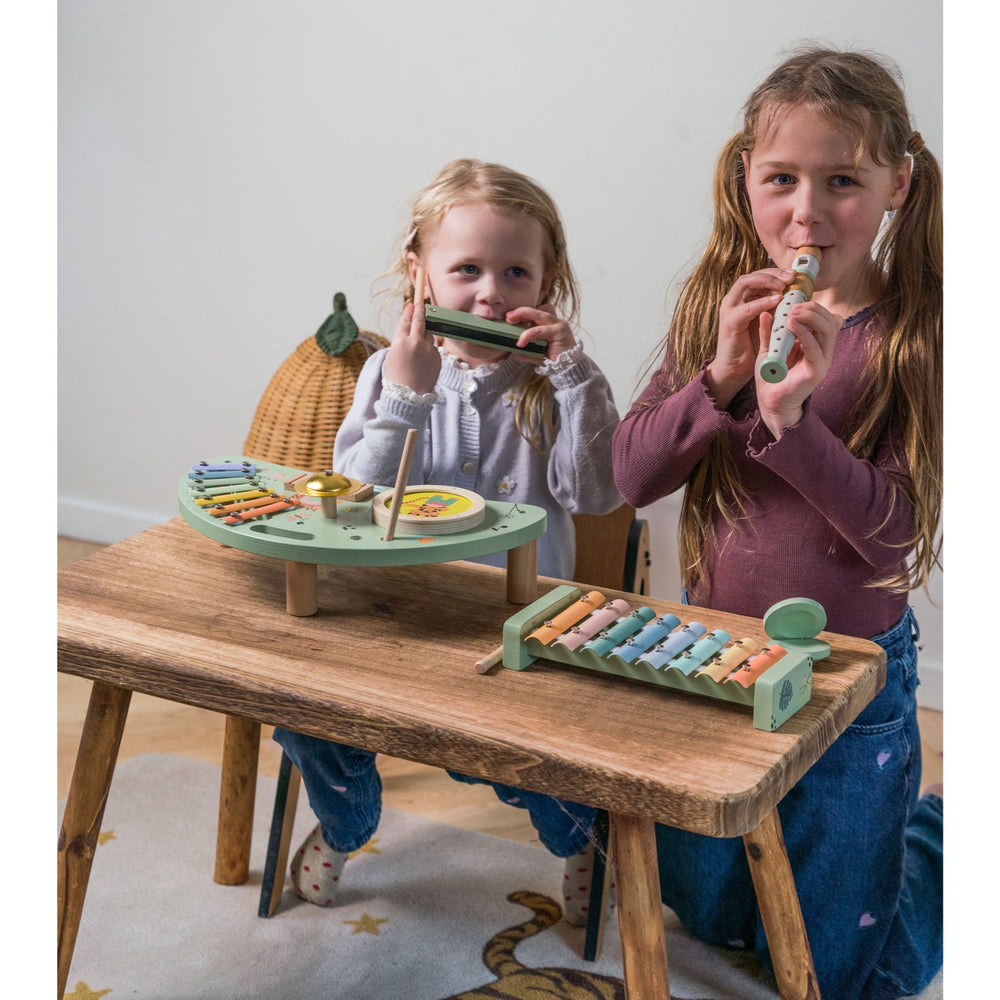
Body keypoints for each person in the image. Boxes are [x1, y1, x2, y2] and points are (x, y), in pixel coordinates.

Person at [611, 47, 942, 999]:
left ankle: (944, 840)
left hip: (850, 683)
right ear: (744, 178)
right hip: (714, 661)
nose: (807, 213)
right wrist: (719, 379)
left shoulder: (920, 333)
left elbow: (894, 539)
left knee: (845, 973)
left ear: (897, 186)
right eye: (782, 179)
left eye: (843, 181)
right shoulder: (717, 310)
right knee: (708, 915)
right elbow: (632, 475)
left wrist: (793, 423)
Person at [274, 158, 623, 921]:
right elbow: (349, 504)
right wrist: (406, 393)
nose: (490, 294)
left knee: (555, 751)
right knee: (301, 713)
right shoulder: (387, 371)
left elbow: (598, 494)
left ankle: (581, 844)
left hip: (517, 628)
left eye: (514, 272)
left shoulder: (554, 386)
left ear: (548, 281)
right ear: (419, 273)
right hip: (395, 620)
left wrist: (574, 377)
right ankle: (347, 820)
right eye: (467, 269)